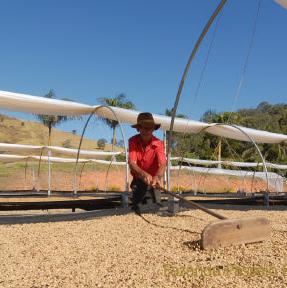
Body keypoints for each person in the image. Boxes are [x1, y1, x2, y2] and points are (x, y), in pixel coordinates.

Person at [128, 112, 166, 214]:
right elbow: (132, 163)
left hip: (154, 181)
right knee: (135, 208)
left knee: (156, 206)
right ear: (138, 128)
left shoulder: (159, 144)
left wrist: (158, 176)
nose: (146, 130)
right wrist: (143, 174)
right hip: (139, 179)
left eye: (149, 128)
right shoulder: (133, 141)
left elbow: (162, 164)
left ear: (153, 129)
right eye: (143, 127)